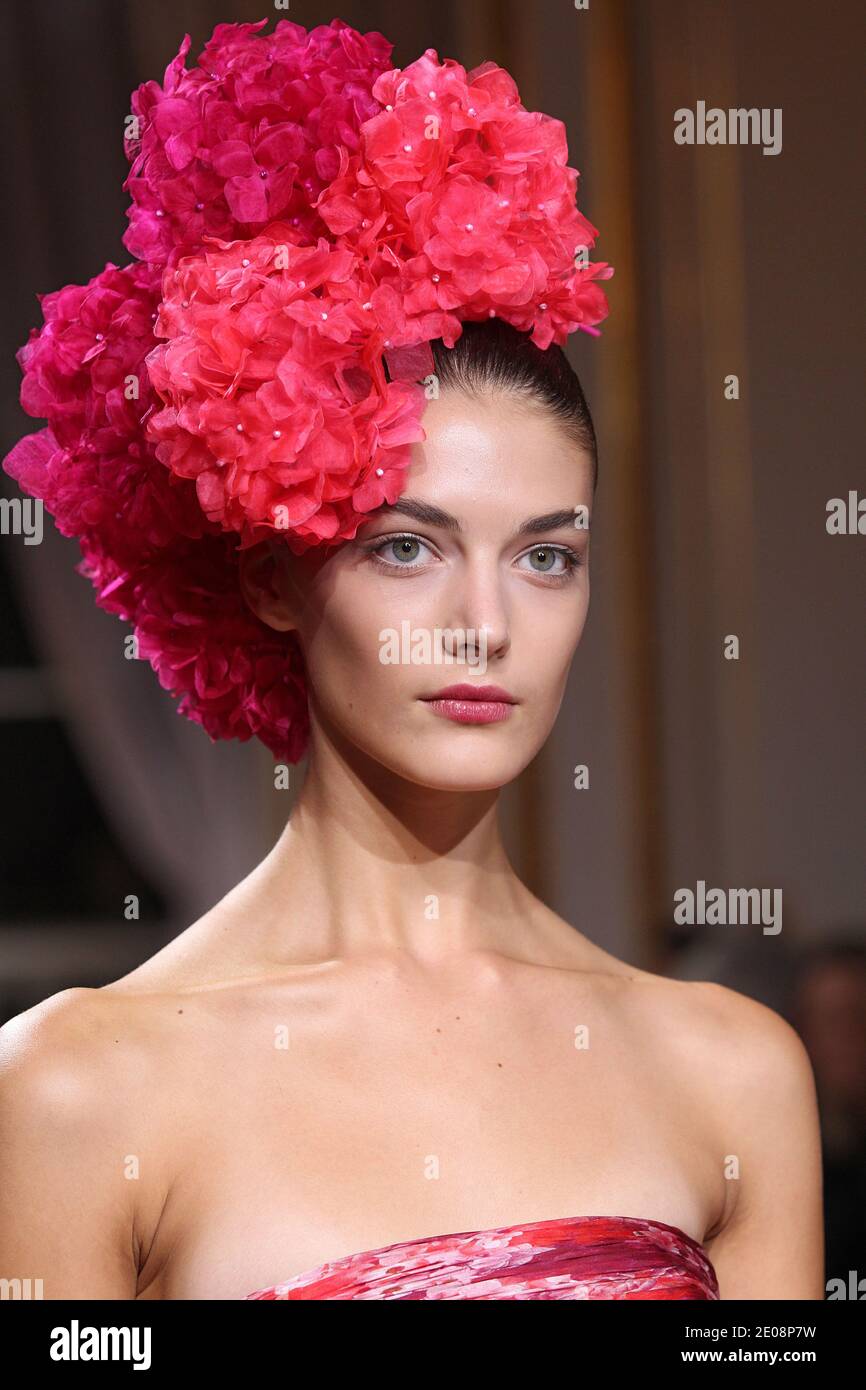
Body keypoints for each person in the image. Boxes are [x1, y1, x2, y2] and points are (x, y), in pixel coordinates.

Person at [0, 18, 823, 1300]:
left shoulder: (728, 1070)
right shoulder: (79, 1089)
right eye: (405, 547)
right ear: (272, 577)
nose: (483, 621)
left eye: (544, 555)